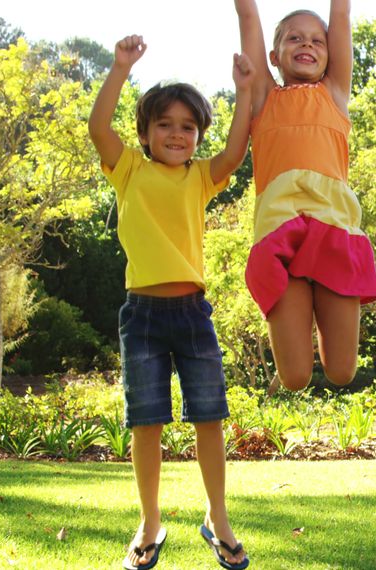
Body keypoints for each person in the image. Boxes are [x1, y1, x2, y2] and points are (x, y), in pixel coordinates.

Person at [88, 35, 252, 569]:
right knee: (146, 421)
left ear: (197, 134)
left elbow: (235, 151)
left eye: (188, 126)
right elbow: (98, 129)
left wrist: (244, 91)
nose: (177, 134)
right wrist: (119, 68)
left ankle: (217, 518)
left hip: (193, 315)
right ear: (146, 133)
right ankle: (150, 520)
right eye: (165, 124)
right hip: (142, 317)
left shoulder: (201, 176)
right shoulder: (129, 169)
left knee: (210, 416)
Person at [234, 0, 376, 392]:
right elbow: (248, 16)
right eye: (295, 38)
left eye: (318, 41)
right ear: (274, 55)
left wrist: (336, 18)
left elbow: (342, 17)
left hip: (333, 231)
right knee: (296, 376)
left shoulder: (334, 94)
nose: (308, 45)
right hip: (280, 235)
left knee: (341, 371)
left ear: (330, 54)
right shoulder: (263, 97)